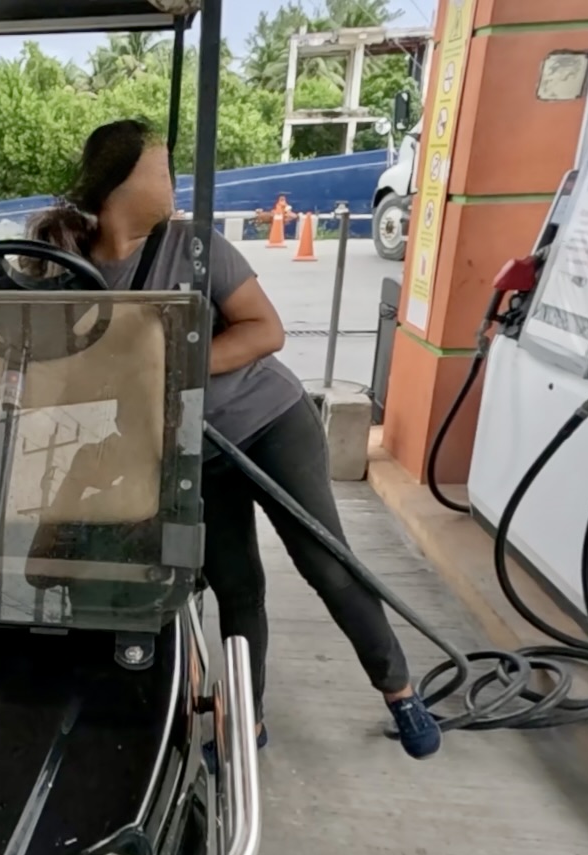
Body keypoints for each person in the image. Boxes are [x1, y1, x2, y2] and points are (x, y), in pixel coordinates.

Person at [28, 119, 441, 759]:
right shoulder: (77, 274)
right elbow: (77, 371)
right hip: (197, 448)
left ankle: (399, 690)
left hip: (270, 422)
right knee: (236, 585)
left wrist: (170, 364)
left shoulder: (193, 247)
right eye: (160, 169)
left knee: (325, 564)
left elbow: (265, 331)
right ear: (118, 184)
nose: (171, 182)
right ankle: (246, 718)